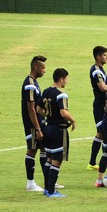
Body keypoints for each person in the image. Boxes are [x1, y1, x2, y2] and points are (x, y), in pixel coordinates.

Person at [38, 68, 76, 198]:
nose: (67, 81)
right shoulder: (61, 94)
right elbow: (63, 112)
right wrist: (72, 120)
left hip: (48, 128)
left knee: (49, 159)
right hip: (59, 130)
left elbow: (39, 109)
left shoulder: (46, 91)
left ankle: (47, 189)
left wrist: (49, 115)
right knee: (56, 160)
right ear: (61, 79)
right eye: (66, 78)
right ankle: (51, 191)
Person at [21, 55, 48, 192]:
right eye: (43, 68)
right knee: (32, 150)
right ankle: (30, 183)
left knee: (43, 149)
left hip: (39, 122)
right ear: (36, 67)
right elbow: (31, 108)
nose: (44, 71)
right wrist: (37, 128)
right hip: (32, 124)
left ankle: (48, 181)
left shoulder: (34, 82)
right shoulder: (30, 85)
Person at [87, 46, 107, 171]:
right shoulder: (96, 70)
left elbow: (106, 83)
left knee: (100, 133)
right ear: (98, 57)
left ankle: (92, 162)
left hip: (102, 105)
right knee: (105, 133)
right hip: (100, 106)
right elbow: (102, 87)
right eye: (105, 55)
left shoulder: (100, 69)